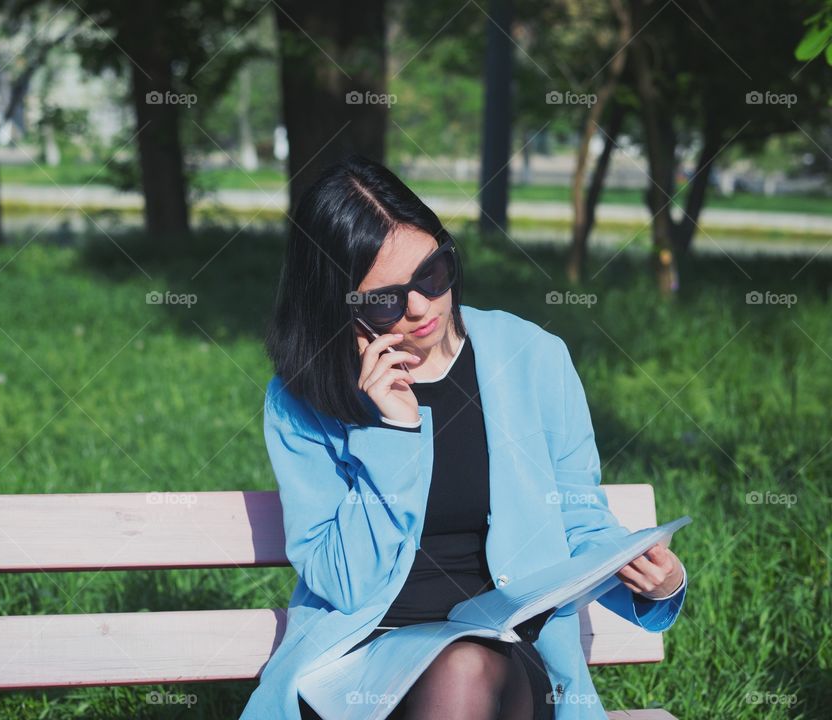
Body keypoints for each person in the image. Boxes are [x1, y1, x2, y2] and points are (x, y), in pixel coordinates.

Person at [240, 155, 687, 720]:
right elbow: (344, 584)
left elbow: (578, 519)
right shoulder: (305, 394)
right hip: (359, 663)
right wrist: (390, 431)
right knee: (456, 676)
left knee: (465, 669)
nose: (420, 307)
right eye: (385, 299)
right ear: (339, 303)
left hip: (503, 656)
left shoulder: (532, 357)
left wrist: (657, 582)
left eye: (431, 273)